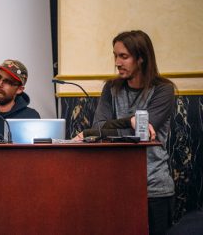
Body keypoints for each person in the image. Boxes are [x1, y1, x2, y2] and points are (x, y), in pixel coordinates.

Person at [73, 30, 175, 235]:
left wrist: (111, 129)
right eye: (115, 56)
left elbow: (143, 133)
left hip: (153, 188)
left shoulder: (163, 89)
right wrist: (128, 121)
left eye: (124, 56)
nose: (117, 63)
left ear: (141, 58)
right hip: (115, 187)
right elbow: (97, 129)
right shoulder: (111, 88)